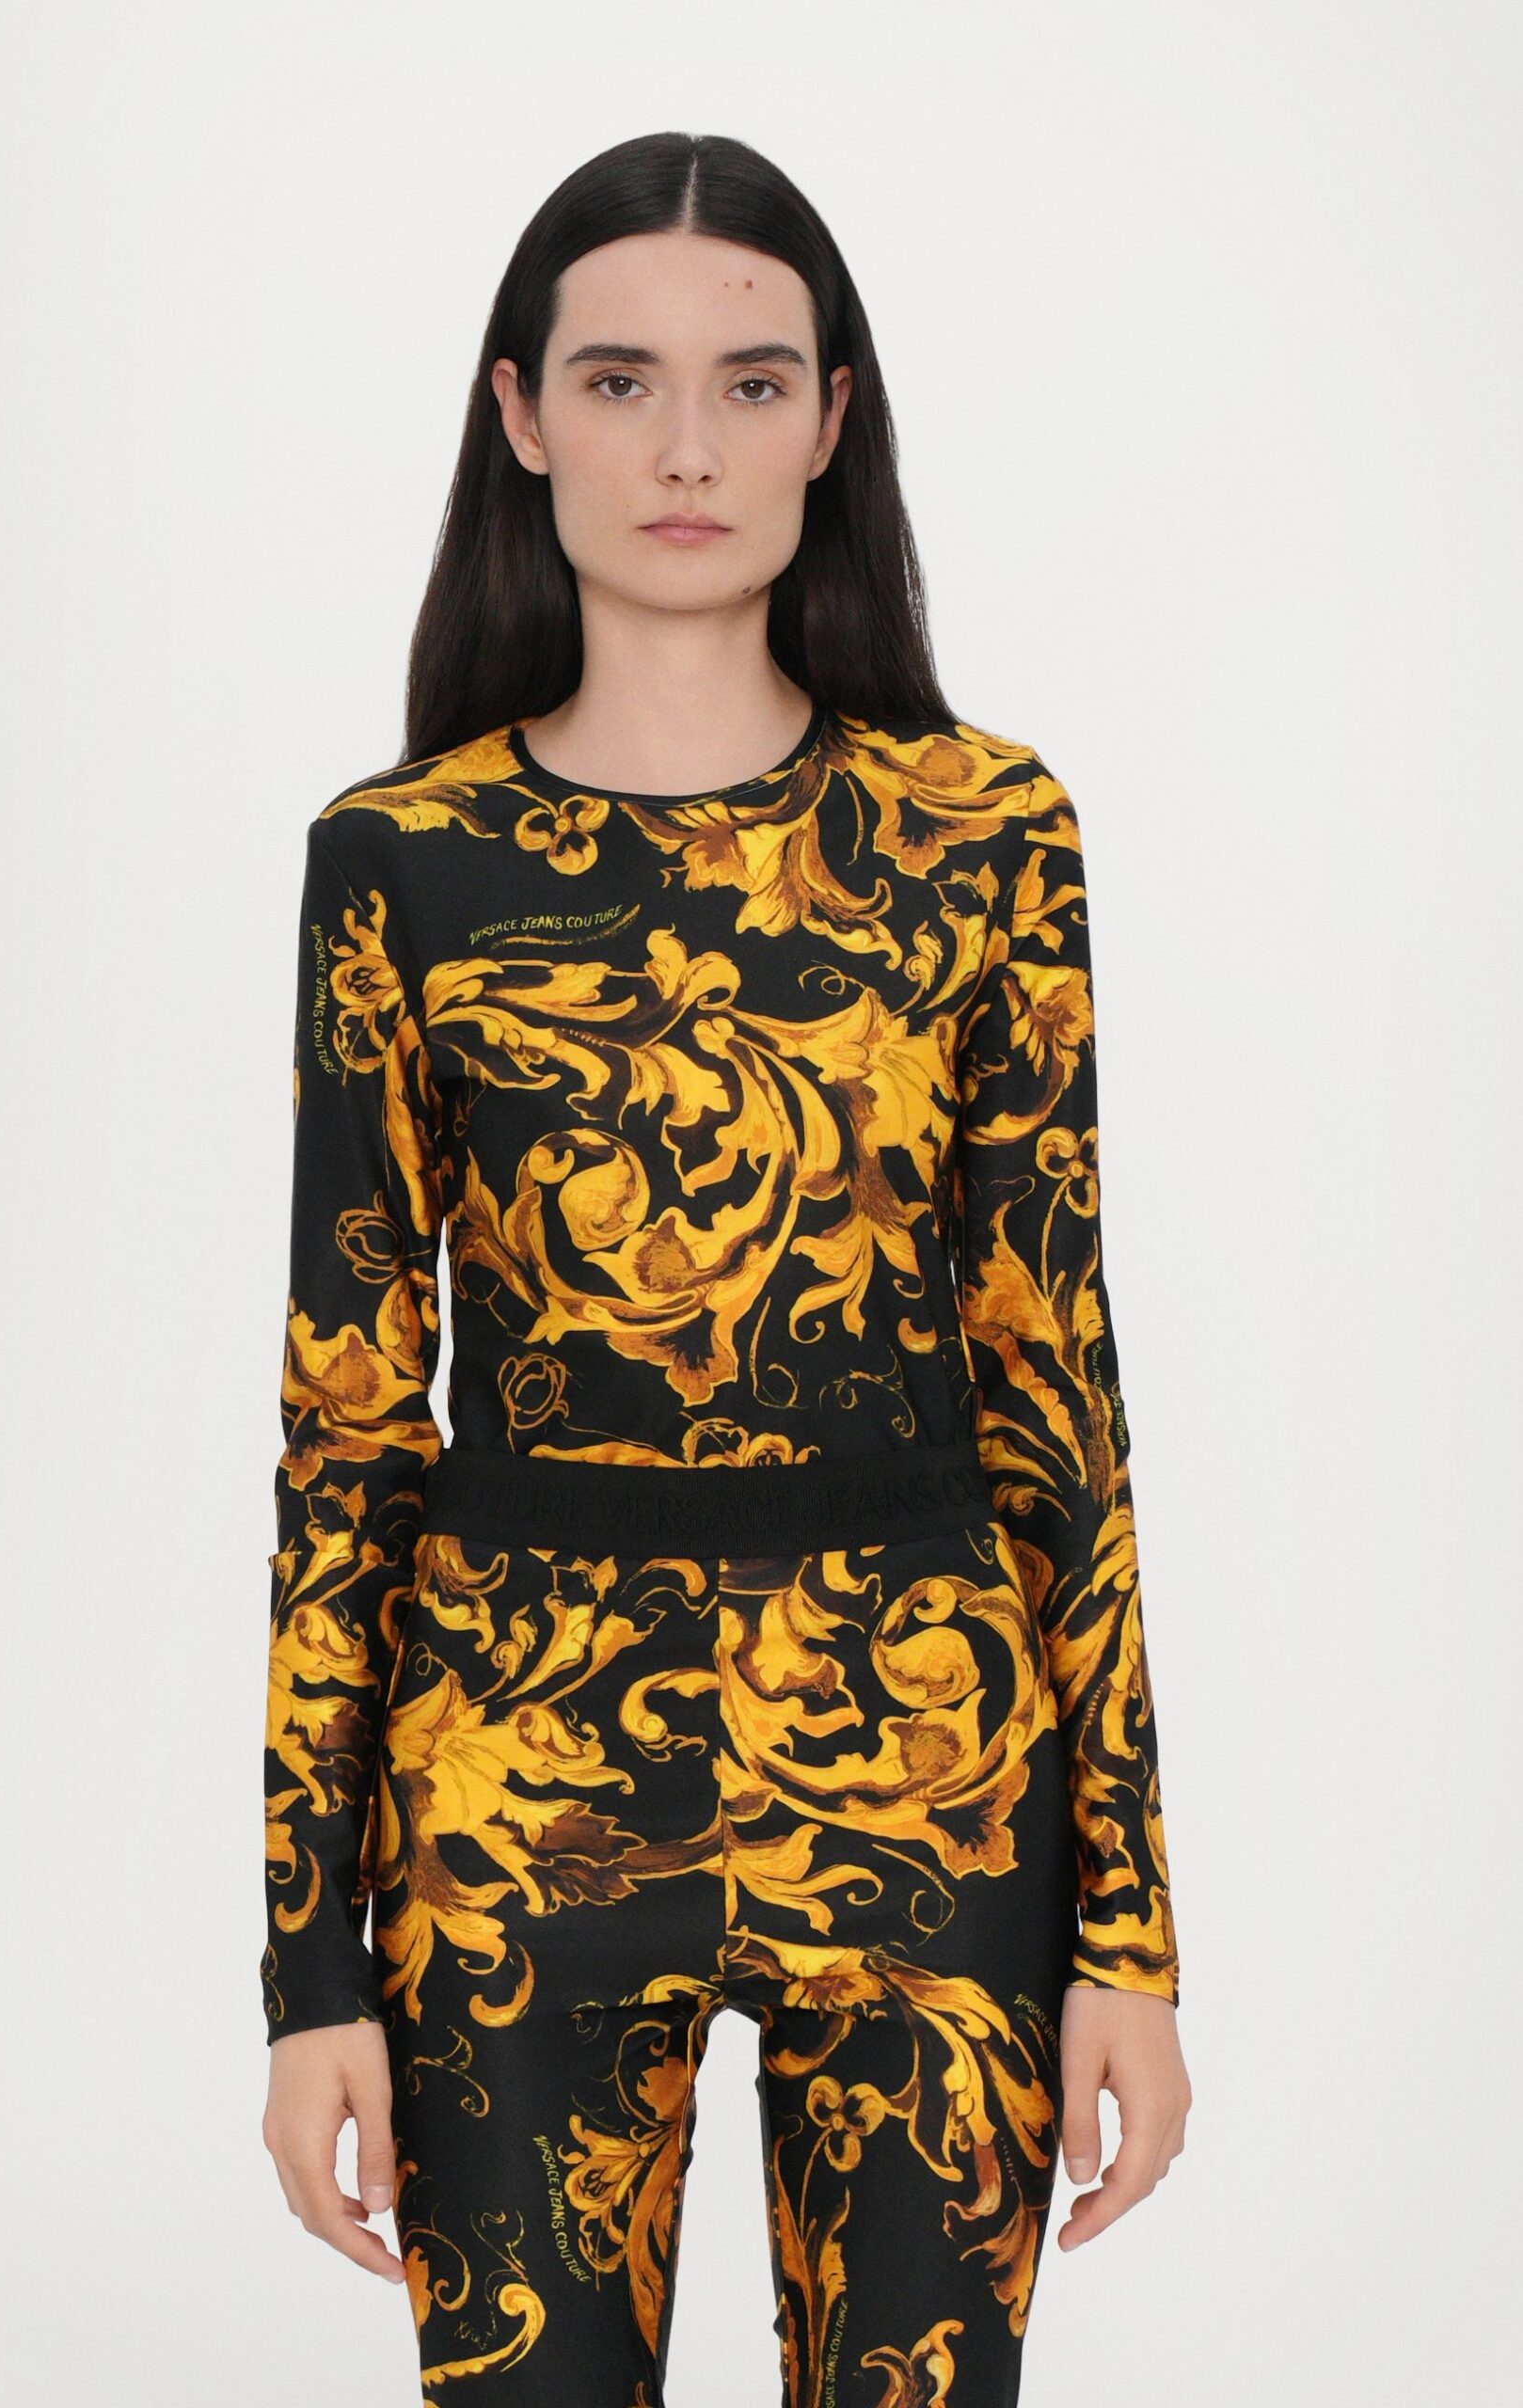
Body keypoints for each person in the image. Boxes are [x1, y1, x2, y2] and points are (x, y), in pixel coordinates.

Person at [260, 128, 1190, 2405]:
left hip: (934, 1778)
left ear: (829, 420)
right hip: (509, 1792)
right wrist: (306, 1970)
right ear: (518, 413)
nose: (686, 448)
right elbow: (349, 1417)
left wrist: (1128, 1928)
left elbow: (1050, 1373)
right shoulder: (402, 862)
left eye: (751, 383)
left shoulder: (982, 835)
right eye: (619, 380)